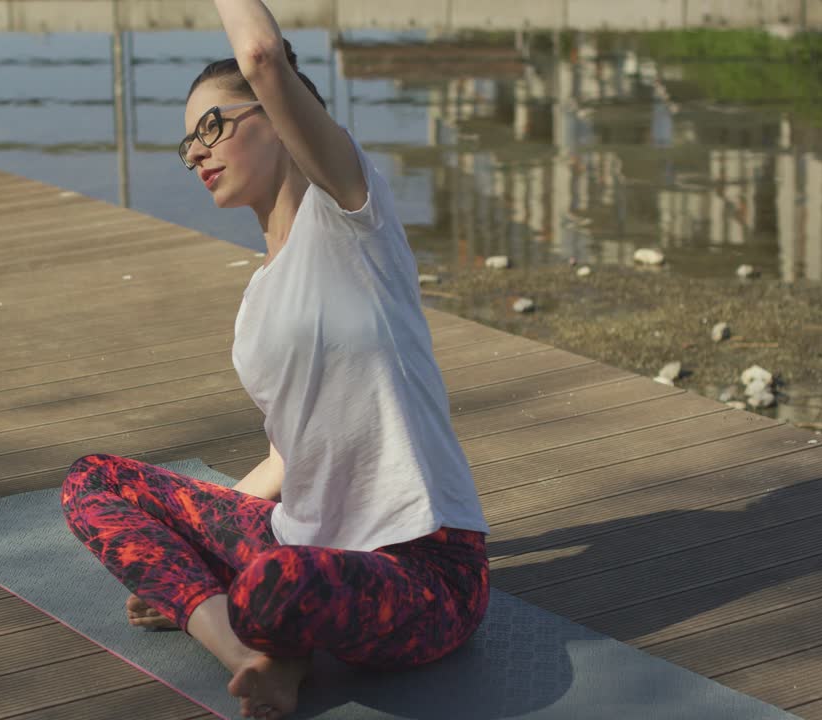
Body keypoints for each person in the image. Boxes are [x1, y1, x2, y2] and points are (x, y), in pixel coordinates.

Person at [62, 2, 491, 718]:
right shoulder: (258, 306)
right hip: (303, 542)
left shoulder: (352, 216)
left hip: (423, 570)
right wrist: (193, 545)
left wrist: (206, 570)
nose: (196, 151)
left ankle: (251, 623)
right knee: (91, 481)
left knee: (272, 584)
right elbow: (290, 457)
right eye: (187, 143)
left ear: (275, 111)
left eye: (212, 126)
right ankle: (247, 655)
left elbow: (261, 53)